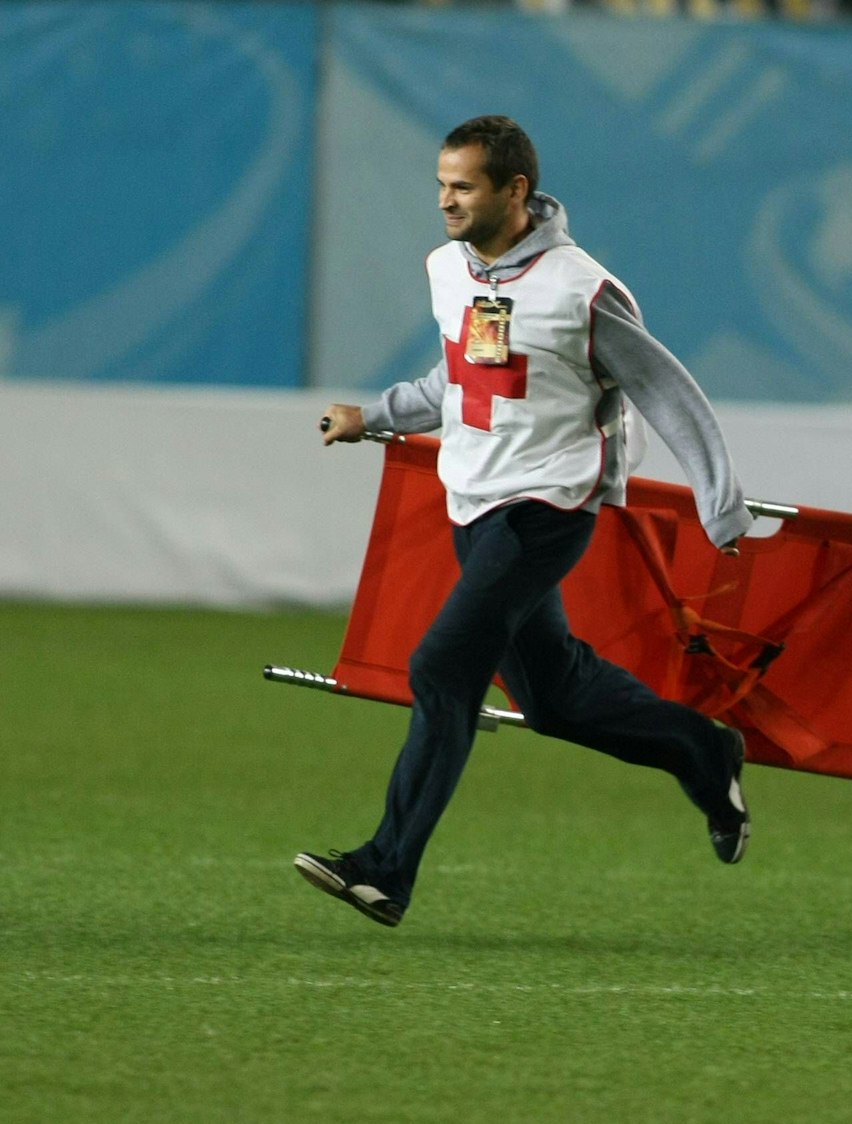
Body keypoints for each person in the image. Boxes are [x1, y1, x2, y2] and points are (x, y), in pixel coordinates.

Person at [295, 116, 754, 928]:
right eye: (441, 185)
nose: (445, 201)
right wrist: (373, 417)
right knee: (555, 698)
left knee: (442, 669)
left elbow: (664, 389)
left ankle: (385, 870)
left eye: (463, 186)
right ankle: (703, 750)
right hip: (474, 505)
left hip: (548, 507)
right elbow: (458, 379)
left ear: (515, 190)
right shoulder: (447, 269)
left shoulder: (582, 290)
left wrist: (720, 503)